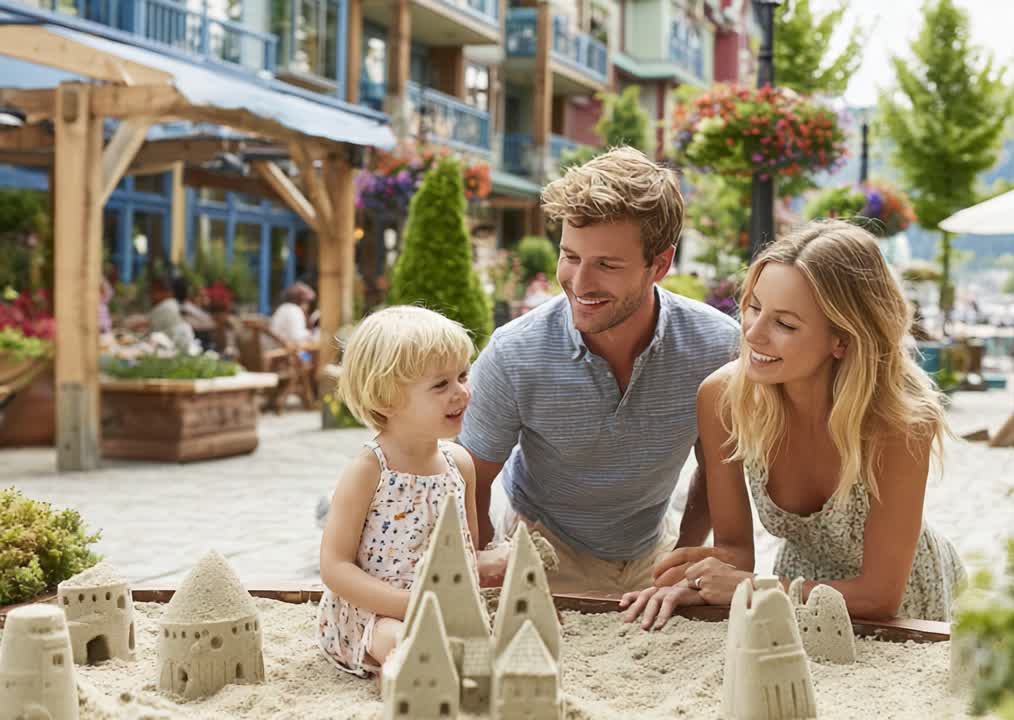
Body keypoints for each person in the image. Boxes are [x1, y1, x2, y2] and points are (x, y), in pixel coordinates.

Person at [621, 220, 967, 630]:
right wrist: (694, 580)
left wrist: (753, 588)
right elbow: (735, 552)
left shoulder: (900, 423)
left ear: (842, 339)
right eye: (753, 307)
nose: (753, 333)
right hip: (792, 588)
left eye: (785, 324)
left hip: (902, 602)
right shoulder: (723, 398)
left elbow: (879, 596)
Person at [458, 146, 740, 594]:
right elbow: (468, 477)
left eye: (607, 265)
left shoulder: (717, 345)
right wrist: (487, 560)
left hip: (653, 549)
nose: (580, 283)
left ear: (660, 265)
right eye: (570, 257)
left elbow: (716, 470)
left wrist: (682, 558)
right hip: (543, 552)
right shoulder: (514, 353)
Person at [316, 306, 501, 676]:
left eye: (463, 375)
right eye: (441, 384)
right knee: (405, 644)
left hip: (445, 608)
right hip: (376, 614)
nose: (461, 392)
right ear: (386, 399)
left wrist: (494, 563)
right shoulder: (370, 470)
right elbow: (335, 566)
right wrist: (411, 604)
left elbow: (466, 554)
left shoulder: (459, 464)